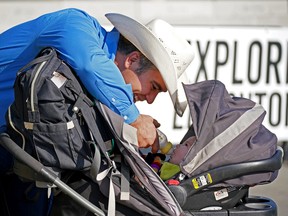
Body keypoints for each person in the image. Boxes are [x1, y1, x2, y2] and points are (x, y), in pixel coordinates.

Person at [0, 8, 194, 215]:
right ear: (133, 59)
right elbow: (90, 65)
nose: (150, 99)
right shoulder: (75, 23)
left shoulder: (98, 88)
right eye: (154, 87)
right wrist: (133, 118)